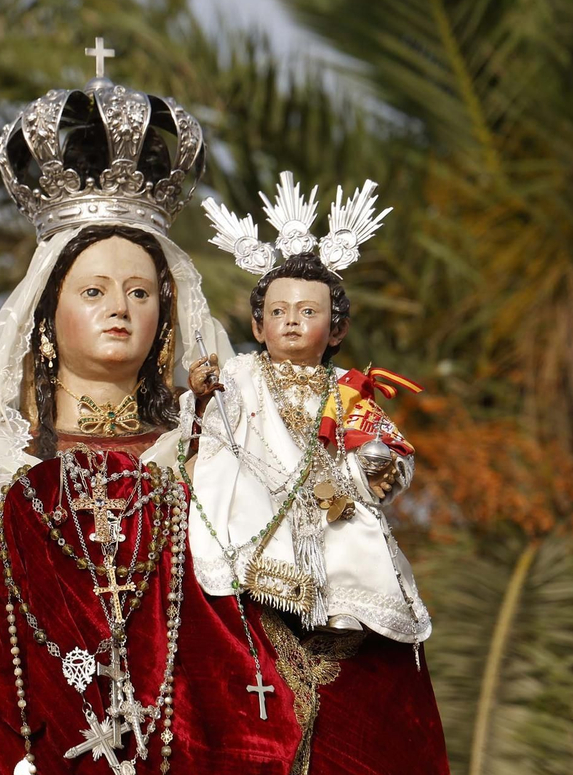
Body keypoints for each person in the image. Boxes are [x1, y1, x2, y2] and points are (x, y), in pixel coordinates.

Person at [0, 49, 471, 775]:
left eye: (140, 292)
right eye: (94, 288)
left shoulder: (220, 452)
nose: (118, 308)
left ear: (169, 313)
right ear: (46, 314)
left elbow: (303, 595)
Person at [184, 174, 432, 651]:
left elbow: (385, 446)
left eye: (307, 312)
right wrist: (200, 394)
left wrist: (377, 465)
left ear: (336, 331)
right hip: (261, 494)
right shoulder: (241, 374)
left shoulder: (347, 391)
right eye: (278, 312)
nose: (291, 321)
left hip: (328, 501)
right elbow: (210, 426)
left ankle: (342, 607)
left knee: (351, 538)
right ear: (258, 326)